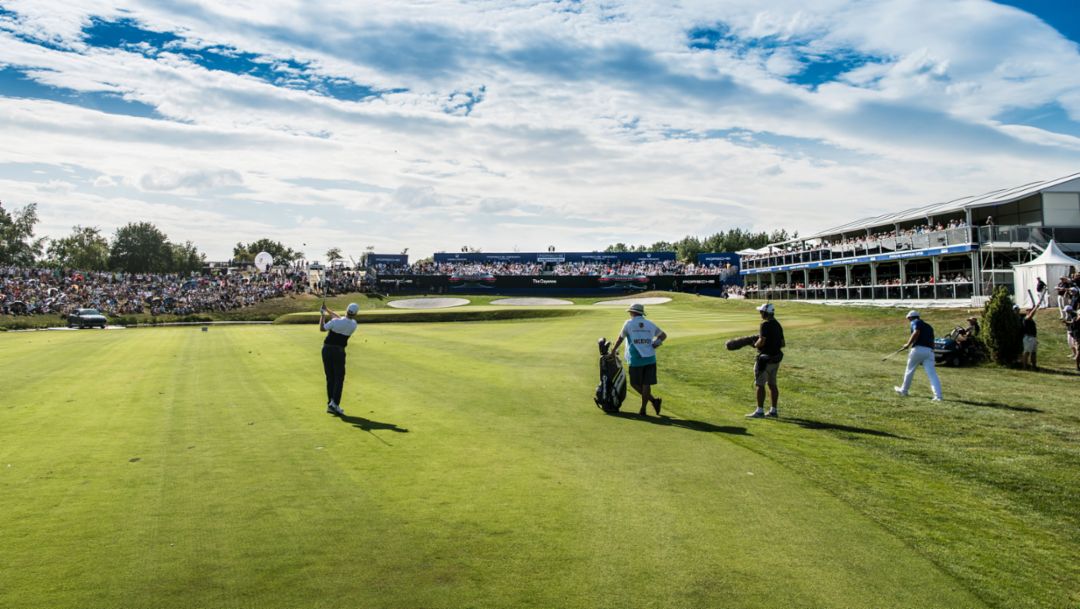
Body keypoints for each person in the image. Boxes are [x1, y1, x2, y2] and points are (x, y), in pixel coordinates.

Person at [612, 303, 666, 416]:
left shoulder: (628, 323)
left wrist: (613, 351)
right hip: (650, 358)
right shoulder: (649, 324)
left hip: (636, 359)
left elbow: (620, 339)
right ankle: (645, 407)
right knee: (646, 384)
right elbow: (663, 335)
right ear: (641, 313)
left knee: (635, 384)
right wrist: (656, 344)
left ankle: (651, 403)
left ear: (632, 312)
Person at [319, 302, 360, 415]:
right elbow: (339, 319)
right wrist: (327, 310)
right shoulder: (353, 325)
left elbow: (322, 328)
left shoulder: (335, 322)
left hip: (326, 350)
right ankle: (334, 404)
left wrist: (322, 314)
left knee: (330, 377)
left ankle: (330, 404)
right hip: (339, 352)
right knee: (339, 378)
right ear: (355, 314)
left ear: (346, 310)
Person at [894, 310, 943, 401]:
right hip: (929, 351)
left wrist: (907, 344)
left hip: (918, 350)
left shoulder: (915, 322)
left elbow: (916, 332)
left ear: (911, 317)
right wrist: (932, 350)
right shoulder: (929, 326)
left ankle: (904, 391)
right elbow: (932, 340)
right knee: (932, 375)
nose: (909, 321)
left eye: (909, 318)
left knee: (909, 371)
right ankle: (938, 396)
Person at [747, 302, 784, 418]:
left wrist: (754, 344)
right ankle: (773, 410)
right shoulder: (778, 324)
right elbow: (783, 343)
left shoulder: (765, 324)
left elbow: (761, 342)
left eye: (761, 312)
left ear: (765, 313)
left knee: (760, 384)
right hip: (776, 359)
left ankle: (760, 411)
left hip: (765, 360)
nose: (760, 313)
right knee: (772, 384)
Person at [1021, 306, 1038, 370]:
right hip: (1028, 337)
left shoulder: (1031, 320)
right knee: (1027, 352)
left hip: (1033, 337)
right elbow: (1031, 315)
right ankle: (1024, 366)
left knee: (1034, 352)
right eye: (1029, 310)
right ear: (1027, 311)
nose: (1030, 311)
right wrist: (1036, 308)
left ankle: (1034, 366)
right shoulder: (1026, 319)